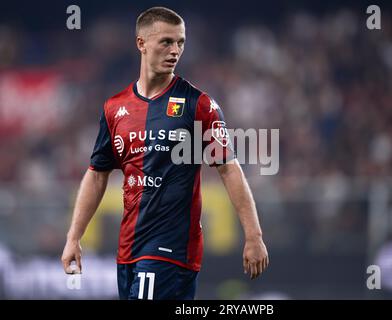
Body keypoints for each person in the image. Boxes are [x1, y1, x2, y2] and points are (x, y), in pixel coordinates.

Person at [61, 6, 269, 300]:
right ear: (141, 44)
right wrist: (74, 237)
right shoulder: (114, 108)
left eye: (181, 42)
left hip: (169, 248)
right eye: (167, 42)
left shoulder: (198, 104)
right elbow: (96, 175)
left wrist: (254, 236)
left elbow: (229, 168)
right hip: (129, 250)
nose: (176, 50)